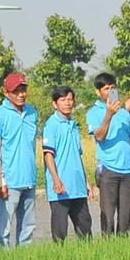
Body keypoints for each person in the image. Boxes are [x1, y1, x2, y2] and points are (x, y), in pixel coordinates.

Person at [0, 72, 40, 248]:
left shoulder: (32, 113)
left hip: (29, 179)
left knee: (28, 226)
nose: (21, 94)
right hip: (9, 182)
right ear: (6, 92)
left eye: (23, 89)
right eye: (16, 91)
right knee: (5, 227)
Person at [89, 73, 130, 236]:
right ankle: (107, 250)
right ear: (98, 92)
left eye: (113, 88)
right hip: (108, 169)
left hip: (128, 171)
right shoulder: (94, 112)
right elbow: (99, 136)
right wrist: (108, 114)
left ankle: (122, 251)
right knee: (108, 217)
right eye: (106, 88)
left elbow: (129, 140)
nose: (110, 91)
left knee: (125, 217)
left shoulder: (123, 111)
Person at [41, 86, 93, 241]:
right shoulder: (52, 125)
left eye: (70, 99)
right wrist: (56, 179)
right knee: (60, 231)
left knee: (85, 229)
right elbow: (48, 155)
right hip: (61, 189)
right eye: (63, 100)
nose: (67, 103)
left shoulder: (73, 125)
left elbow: (78, 156)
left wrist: (86, 182)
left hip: (78, 187)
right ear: (55, 104)